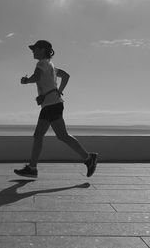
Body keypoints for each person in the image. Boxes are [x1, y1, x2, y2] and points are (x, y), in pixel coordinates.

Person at [14, 40, 98, 178]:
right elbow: (66, 76)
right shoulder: (51, 65)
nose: (33, 51)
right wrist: (59, 90)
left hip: (52, 105)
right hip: (51, 104)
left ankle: (89, 158)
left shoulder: (41, 63)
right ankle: (32, 168)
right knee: (41, 135)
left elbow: (36, 77)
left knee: (61, 135)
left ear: (42, 50)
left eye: (35, 49)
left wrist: (26, 81)